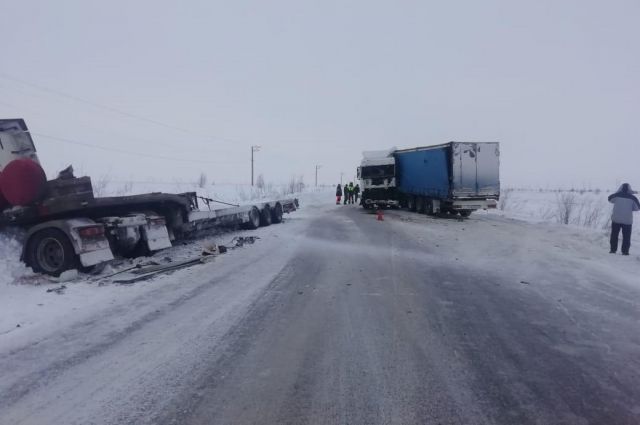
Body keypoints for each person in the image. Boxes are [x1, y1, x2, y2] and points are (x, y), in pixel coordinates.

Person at [608, 183, 639, 255]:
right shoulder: (632, 198)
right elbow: (637, 208)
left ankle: (613, 250)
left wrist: (618, 192)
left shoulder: (617, 195)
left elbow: (609, 199)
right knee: (626, 237)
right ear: (629, 189)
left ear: (620, 188)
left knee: (614, 235)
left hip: (616, 219)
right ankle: (625, 252)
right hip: (627, 221)